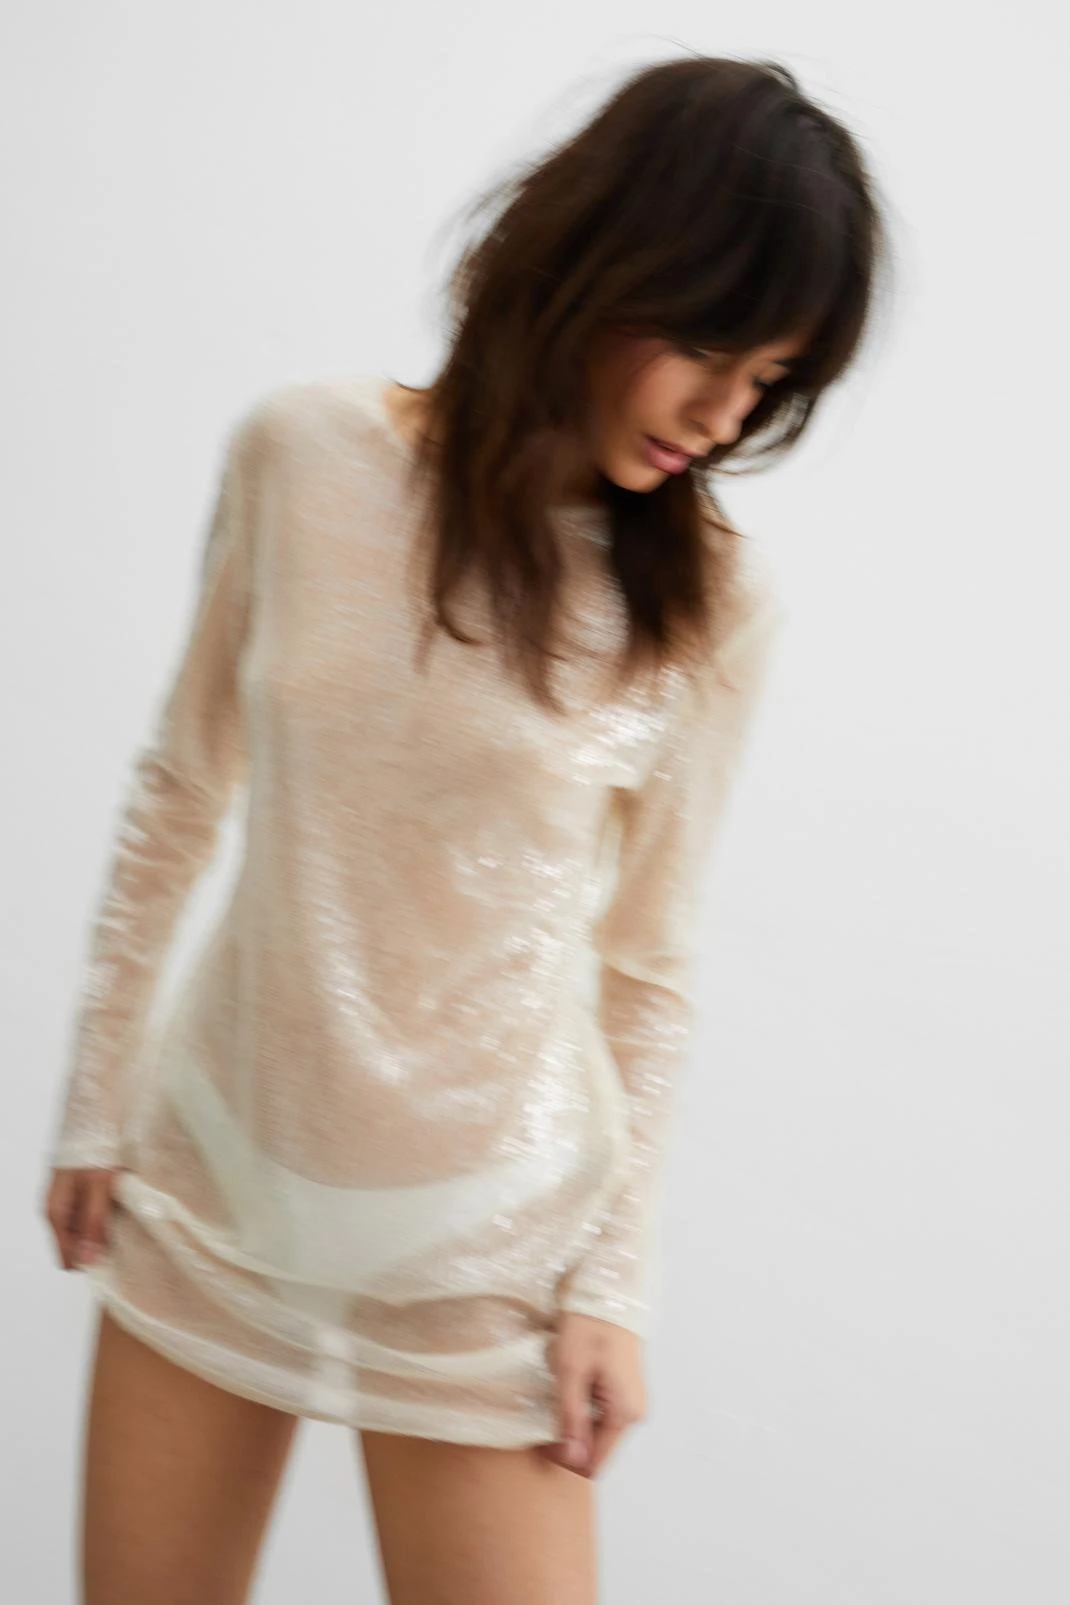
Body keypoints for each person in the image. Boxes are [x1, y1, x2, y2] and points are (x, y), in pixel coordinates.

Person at [41, 53, 887, 1605]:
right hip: (213, 1179)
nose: (723, 414)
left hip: (487, 1254)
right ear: (597, 263)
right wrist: (97, 1105)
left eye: (767, 380)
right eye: (709, 348)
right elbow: (181, 786)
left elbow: (647, 965)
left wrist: (611, 1287)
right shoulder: (299, 453)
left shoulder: (711, 608)